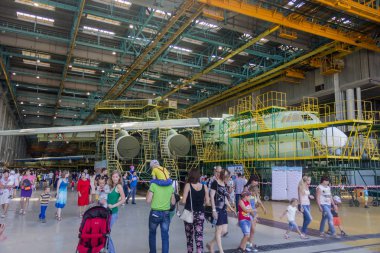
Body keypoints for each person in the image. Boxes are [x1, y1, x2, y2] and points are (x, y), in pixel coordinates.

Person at [146, 171, 177, 253]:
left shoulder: (153, 185)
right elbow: (173, 202)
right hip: (166, 214)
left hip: (155, 213)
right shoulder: (170, 186)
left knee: (152, 234)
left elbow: (148, 200)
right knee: (165, 236)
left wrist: (149, 190)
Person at [207, 169, 236, 253]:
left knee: (224, 231)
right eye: (228, 177)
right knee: (219, 230)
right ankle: (221, 251)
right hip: (217, 208)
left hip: (223, 209)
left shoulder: (224, 184)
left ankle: (211, 244)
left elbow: (224, 198)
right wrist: (213, 210)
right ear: (224, 176)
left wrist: (230, 208)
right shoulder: (215, 183)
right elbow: (212, 196)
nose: (229, 179)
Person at [181, 168, 210, 253]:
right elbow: (207, 202)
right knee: (199, 238)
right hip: (200, 214)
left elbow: (183, 201)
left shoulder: (188, 185)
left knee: (189, 238)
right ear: (198, 176)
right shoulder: (204, 186)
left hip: (189, 214)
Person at [107, 170, 126, 253]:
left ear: (119, 178)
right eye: (113, 176)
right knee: (105, 232)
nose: (115, 178)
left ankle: (112, 251)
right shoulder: (110, 186)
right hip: (106, 212)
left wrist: (113, 205)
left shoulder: (119, 186)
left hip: (113, 213)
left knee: (107, 233)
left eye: (116, 177)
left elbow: (123, 199)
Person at [246, 185, 266, 252]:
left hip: (254, 214)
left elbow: (256, 205)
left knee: (252, 231)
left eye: (257, 193)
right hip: (250, 214)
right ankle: (248, 244)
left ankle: (250, 243)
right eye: (255, 192)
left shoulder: (254, 196)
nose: (256, 194)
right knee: (252, 230)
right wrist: (254, 215)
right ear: (251, 191)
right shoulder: (248, 197)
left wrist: (262, 208)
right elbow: (249, 207)